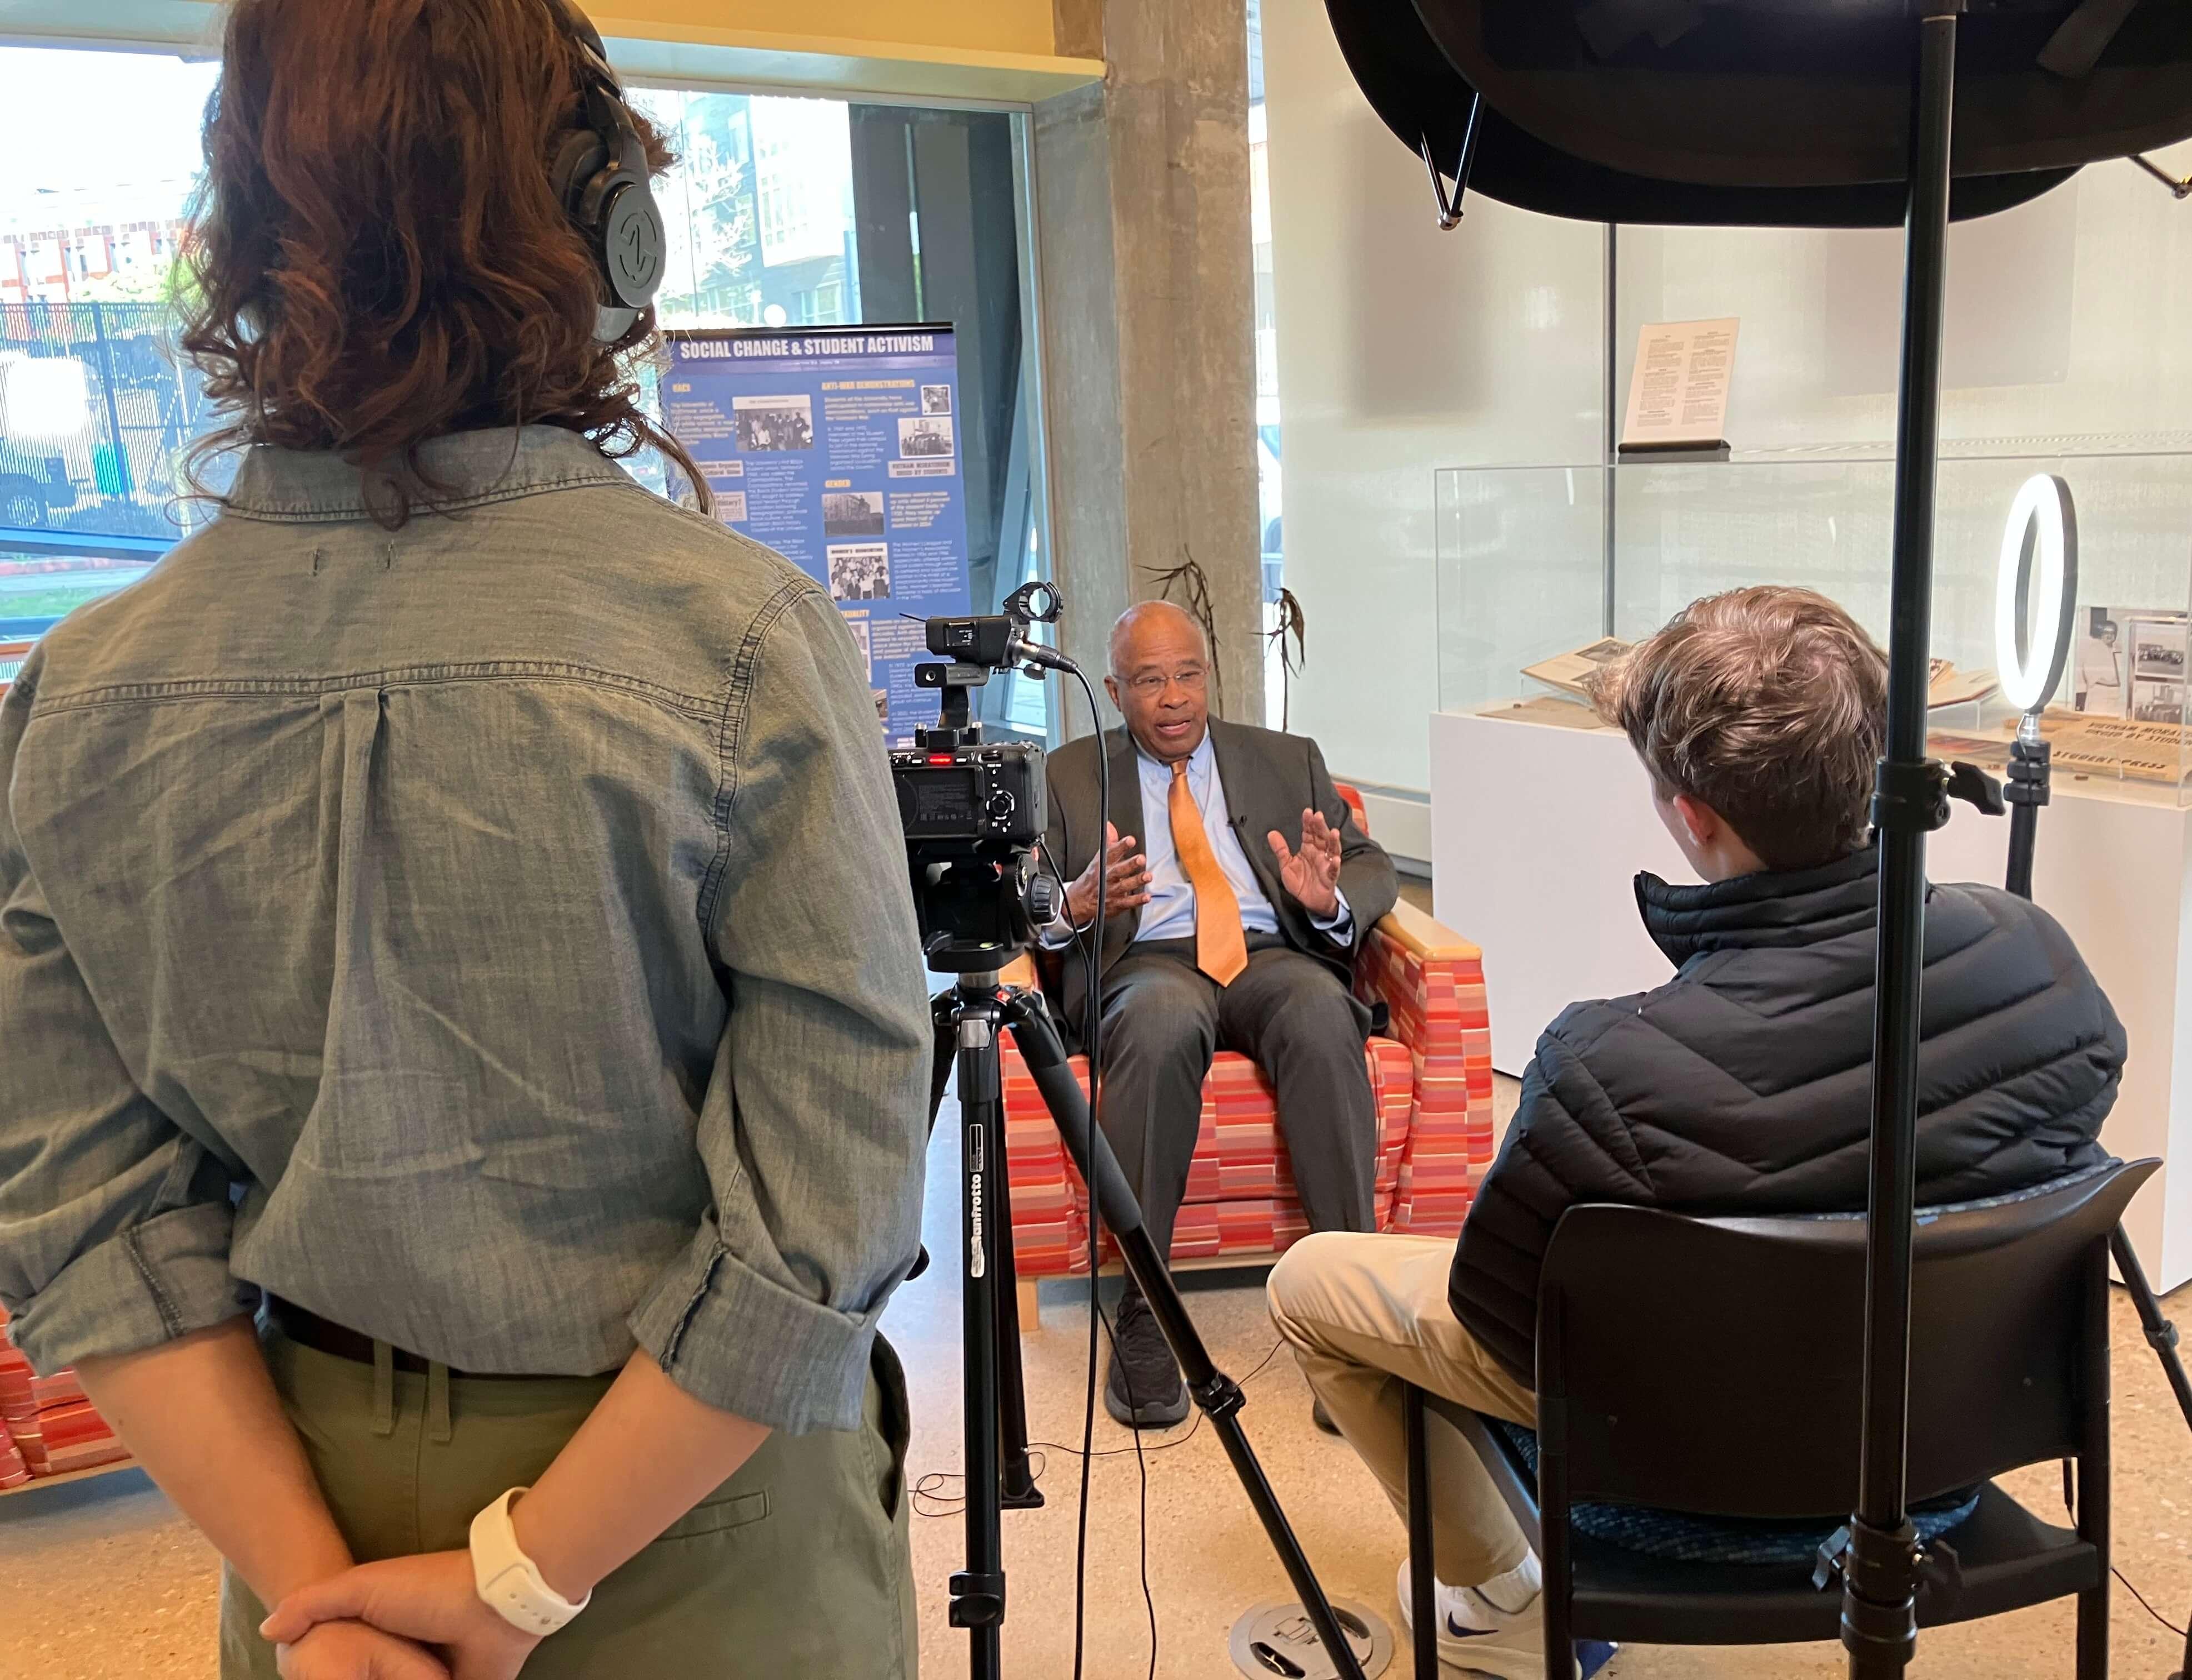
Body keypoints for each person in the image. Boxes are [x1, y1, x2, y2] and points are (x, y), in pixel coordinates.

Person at [0, 3, 930, 1678]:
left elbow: (80, 1218)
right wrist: (512, 1584)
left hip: (305, 1523)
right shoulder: (743, 642)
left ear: (239, 240)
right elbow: (822, 1217)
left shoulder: (77, 692)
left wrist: (318, 1601)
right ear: (604, 226)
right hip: (683, 1513)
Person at [1268, 586, 2125, 1680]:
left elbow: (1496, 1317)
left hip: (1686, 1488)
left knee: (1314, 1285)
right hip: (1936, 1447)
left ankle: (1510, 1599)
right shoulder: (2037, 961)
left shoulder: (1604, 1063)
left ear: (1691, 815)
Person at [1042, 601, 1398, 1428]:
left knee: (1319, 1012)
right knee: (1159, 1025)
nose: (1173, 698)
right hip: (1145, 961)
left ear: (1211, 676)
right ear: (1114, 689)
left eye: (1188, 674)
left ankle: (1351, 1314)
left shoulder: (1285, 759)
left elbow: (1367, 862)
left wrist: (1329, 896)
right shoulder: (1065, 774)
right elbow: (1026, 900)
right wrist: (1073, 904)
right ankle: (1144, 1310)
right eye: (1149, 680)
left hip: (1270, 953)